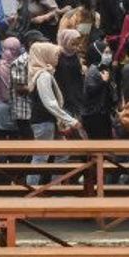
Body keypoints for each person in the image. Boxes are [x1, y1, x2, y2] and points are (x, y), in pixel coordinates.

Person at [27, 40, 80, 185]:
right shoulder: (43, 76)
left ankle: (56, 186)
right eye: (55, 54)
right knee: (41, 157)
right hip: (44, 121)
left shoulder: (44, 72)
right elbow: (50, 102)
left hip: (49, 121)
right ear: (46, 55)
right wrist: (71, 120)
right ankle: (30, 190)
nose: (58, 58)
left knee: (63, 152)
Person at [54, 28, 86, 120]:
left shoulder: (75, 55)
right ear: (65, 41)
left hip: (78, 93)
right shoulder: (58, 55)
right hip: (64, 93)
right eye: (73, 44)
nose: (75, 47)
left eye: (77, 44)